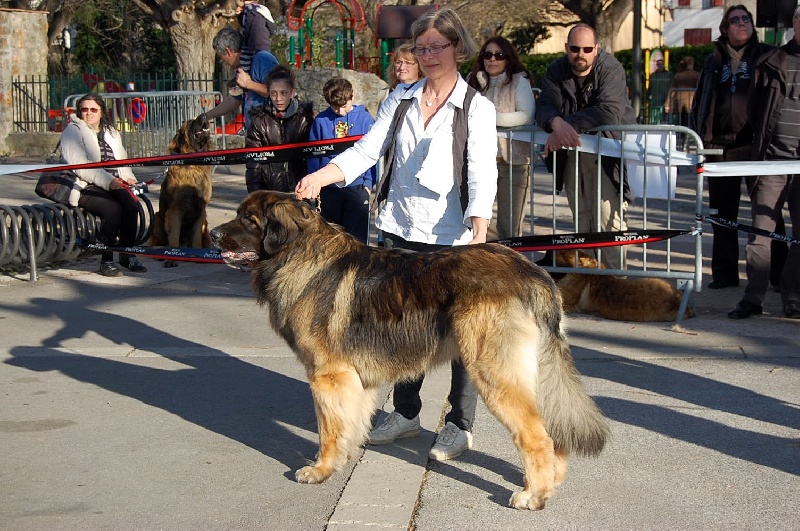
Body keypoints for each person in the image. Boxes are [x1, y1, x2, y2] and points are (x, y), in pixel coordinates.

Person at [295, 7, 497, 461]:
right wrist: (321, 177)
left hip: (453, 236)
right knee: (402, 328)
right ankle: (406, 414)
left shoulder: (476, 107)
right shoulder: (401, 98)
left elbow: (482, 171)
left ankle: (460, 424)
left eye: (437, 47)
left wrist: (480, 229)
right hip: (399, 227)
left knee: (464, 335)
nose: (428, 55)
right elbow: (367, 150)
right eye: (421, 48)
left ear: (457, 48)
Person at [690, 4, 787, 290]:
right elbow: (701, 100)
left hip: (756, 146)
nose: (742, 23)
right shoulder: (713, 60)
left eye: (746, 19)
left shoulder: (767, 55)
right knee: (722, 214)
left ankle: (779, 274)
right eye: (735, 20)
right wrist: (700, 136)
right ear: (725, 28)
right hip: (720, 147)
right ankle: (725, 274)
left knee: (768, 212)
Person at [535, 23, 637, 270]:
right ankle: (590, 278)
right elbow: (544, 106)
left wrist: (565, 126)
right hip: (572, 154)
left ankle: (616, 280)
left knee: (607, 218)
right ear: (566, 48)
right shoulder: (556, 69)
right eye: (575, 48)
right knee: (581, 218)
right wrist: (556, 123)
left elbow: (609, 110)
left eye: (587, 49)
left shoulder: (610, 68)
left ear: (596, 49)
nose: (580, 54)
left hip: (607, 153)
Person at [728, 5, 800, 320]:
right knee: (760, 235)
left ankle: (792, 295)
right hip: (772, 162)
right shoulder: (771, 61)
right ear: (795, 22)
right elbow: (754, 109)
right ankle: (753, 298)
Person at [60, 94, 146, 277]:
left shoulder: (111, 132)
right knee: (112, 209)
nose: (89, 113)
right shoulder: (72, 131)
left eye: (93, 109)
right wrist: (108, 182)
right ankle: (106, 260)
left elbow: (122, 159)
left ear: (101, 112)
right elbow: (80, 166)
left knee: (132, 206)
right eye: (84, 109)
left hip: (115, 183)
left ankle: (127, 254)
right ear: (79, 111)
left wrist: (128, 177)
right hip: (85, 185)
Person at [468, 36, 535, 239]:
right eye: (487, 54)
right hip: (480, 163)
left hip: (514, 163)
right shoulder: (473, 81)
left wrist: (489, 117)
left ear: (508, 58)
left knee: (510, 228)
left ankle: (508, 260)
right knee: (476, 224)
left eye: (499, 55)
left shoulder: (519, 80)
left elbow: (526, 115)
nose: (492, 59)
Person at [307, 78, 377, 243]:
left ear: (352, 95)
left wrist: (369, 183)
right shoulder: (321, 121)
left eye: (344, 106)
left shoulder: (365, 118)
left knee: (357, 240)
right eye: (335, 107)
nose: (340, 111)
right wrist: (314, 183)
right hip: (328, 188)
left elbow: (374, 152)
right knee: (330, 238)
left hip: (357, 186)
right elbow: (313, 155)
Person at [245, 65, 313, 193]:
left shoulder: (304, 118)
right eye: (273, 93)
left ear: (292, 93)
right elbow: (253, 162)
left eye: (283, 93)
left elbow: (311, 157)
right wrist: (255, 192)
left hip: (298, 187)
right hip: (269, 189)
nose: (278, 99)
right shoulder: (259, 120)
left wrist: (307, 185)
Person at [205, 26, 278, 131]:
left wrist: (249, 84)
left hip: (270, 131)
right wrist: (207, 116)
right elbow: (234, 100)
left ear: (228, 51)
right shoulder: (244, 68)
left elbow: (277, 91)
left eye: (221, 56)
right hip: (254, 132)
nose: (222, 61)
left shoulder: (262, 59)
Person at [235, 0, 277, 77]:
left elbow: (257, 36)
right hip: (258, 52)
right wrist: (240, 14)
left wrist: (258, 54)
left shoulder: (253, 13)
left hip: (255, 53)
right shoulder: (253, 10)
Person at [664, 56, 699, 127]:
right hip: (691, 102)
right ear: (691, 64)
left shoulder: (678, 75)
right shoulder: (696, 75)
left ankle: (682, 133)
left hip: (680, 102)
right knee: (691, 123)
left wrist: (667, 103)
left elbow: (672, 90)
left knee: (681, 122)